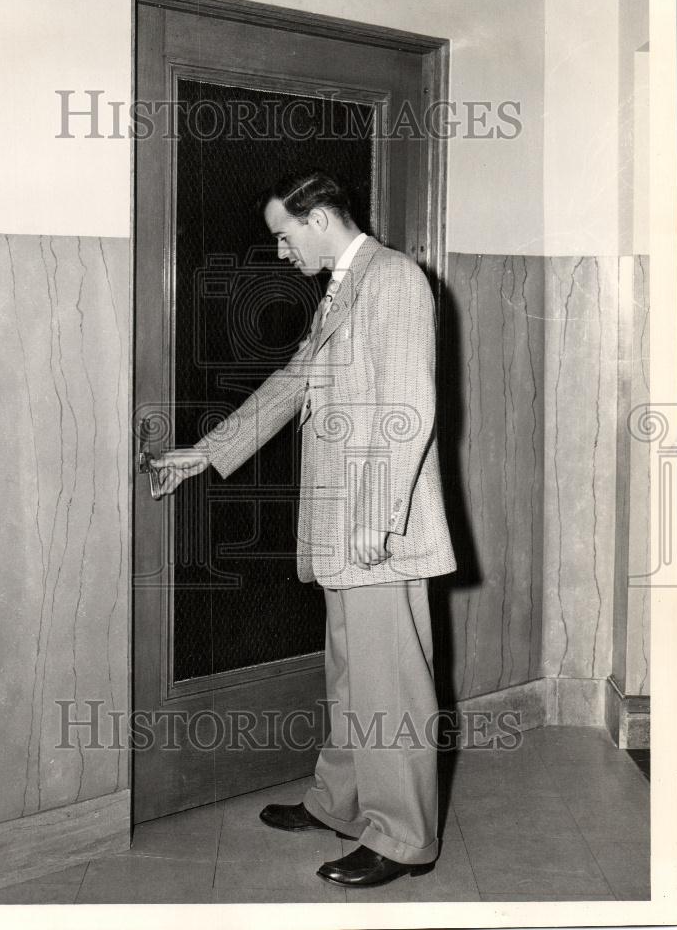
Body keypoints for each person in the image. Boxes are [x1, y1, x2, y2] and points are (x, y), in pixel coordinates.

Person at [150, 169, 456, 888]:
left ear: (319, 218)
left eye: (284, 236)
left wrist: (380, 519)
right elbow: (293, 382)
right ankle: (338, 800)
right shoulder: (344, 288)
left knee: (393, 690)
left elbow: (409, 407)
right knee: (352, 677)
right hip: (344, 524)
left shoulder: (395, 280)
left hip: (378, 525)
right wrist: (207, 451)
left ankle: (405, 837)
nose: (282, 253)